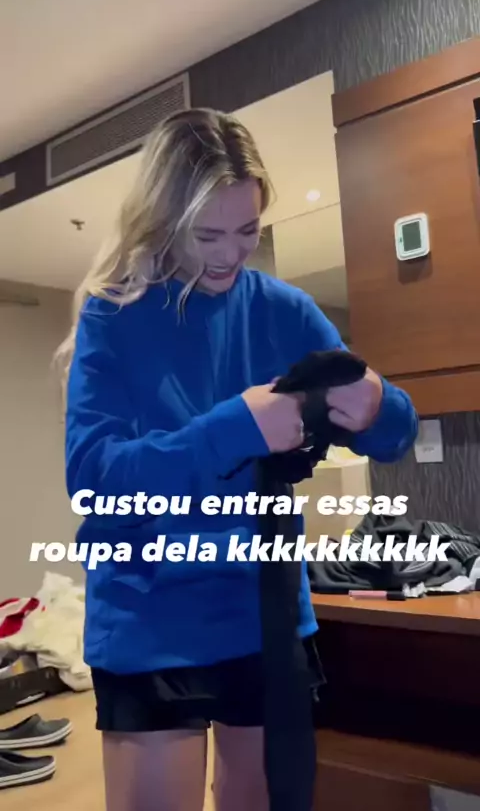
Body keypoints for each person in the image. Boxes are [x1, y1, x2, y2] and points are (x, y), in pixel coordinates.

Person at [57, 108, 418, 811]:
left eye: (248, 230)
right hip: (150, 616)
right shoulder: (113, 313)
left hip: (266, 613)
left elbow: (393, 435)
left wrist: (381, 406)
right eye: (207, 235)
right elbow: (94, 482)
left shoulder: (287, 310)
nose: (230, 254)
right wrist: (233, 430)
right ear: (163, 220)